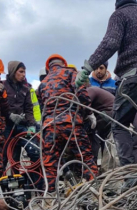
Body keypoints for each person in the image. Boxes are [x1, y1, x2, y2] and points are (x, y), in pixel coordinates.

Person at [77, 0, 137, 165]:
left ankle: (130, 174)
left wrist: (87, 67)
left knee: (119, 124)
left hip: (135, 75)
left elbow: (110, 43)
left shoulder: (120, 15)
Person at [37, 54, 98, 192]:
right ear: (63, 63)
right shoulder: (71, 73)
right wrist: (89, 113)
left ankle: (49, 199)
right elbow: (81, 94)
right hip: (70, 123)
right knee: (85, 157)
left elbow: (43, 109)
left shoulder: (42, 83)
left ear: (48, 67)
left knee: (50, 164)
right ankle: (96, 192)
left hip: (49, 127)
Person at [3, 61, 39, 172]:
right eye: (21, 71)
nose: (24, 74)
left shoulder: (26, 88)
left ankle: (36, 186)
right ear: (13, 72)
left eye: (25, 72)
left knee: (35, 152)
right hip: (6, 127)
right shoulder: (2, 86)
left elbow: (29, 109)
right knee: (3, 157)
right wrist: (9, 115)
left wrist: (31, 125)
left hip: (22, 127)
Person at [86, 86, 115, 163]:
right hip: (113, 114)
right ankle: (104, 163)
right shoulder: (94, 89)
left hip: (107, 113)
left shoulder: (90, 90)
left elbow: (85, 104)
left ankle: (94, 162)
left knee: (94, 135)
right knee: (103, 140)